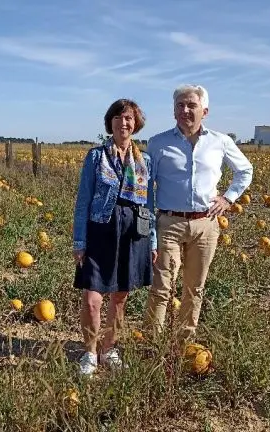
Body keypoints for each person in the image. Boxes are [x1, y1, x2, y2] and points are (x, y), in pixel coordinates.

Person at [142, 84, 253, 344]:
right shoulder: (158, 143)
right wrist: (147, 226)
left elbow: (245, 171)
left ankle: (183, 343)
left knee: (195, 288)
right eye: (180, 105)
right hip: (168, 222)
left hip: (206, 224)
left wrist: (228, 198)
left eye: (191, 105)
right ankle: (151, 344)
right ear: (173, 111)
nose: (185, 110)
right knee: (161, 288)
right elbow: (146, 186)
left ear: (205, 110)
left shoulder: (220, 141)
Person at [72, 98, 158, 377]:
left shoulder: (144, 160)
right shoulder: (97, 157)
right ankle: (90, 352)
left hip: (133, 235)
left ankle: (110, 349)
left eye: (130, 118)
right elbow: (83, 201)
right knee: (92, 299)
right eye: (119, 117)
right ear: (110, 122)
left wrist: (153, 241)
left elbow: (149, 204)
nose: (124, 122)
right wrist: (80, 241)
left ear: (136, 124)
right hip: (100, 230)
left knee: (120, 298)